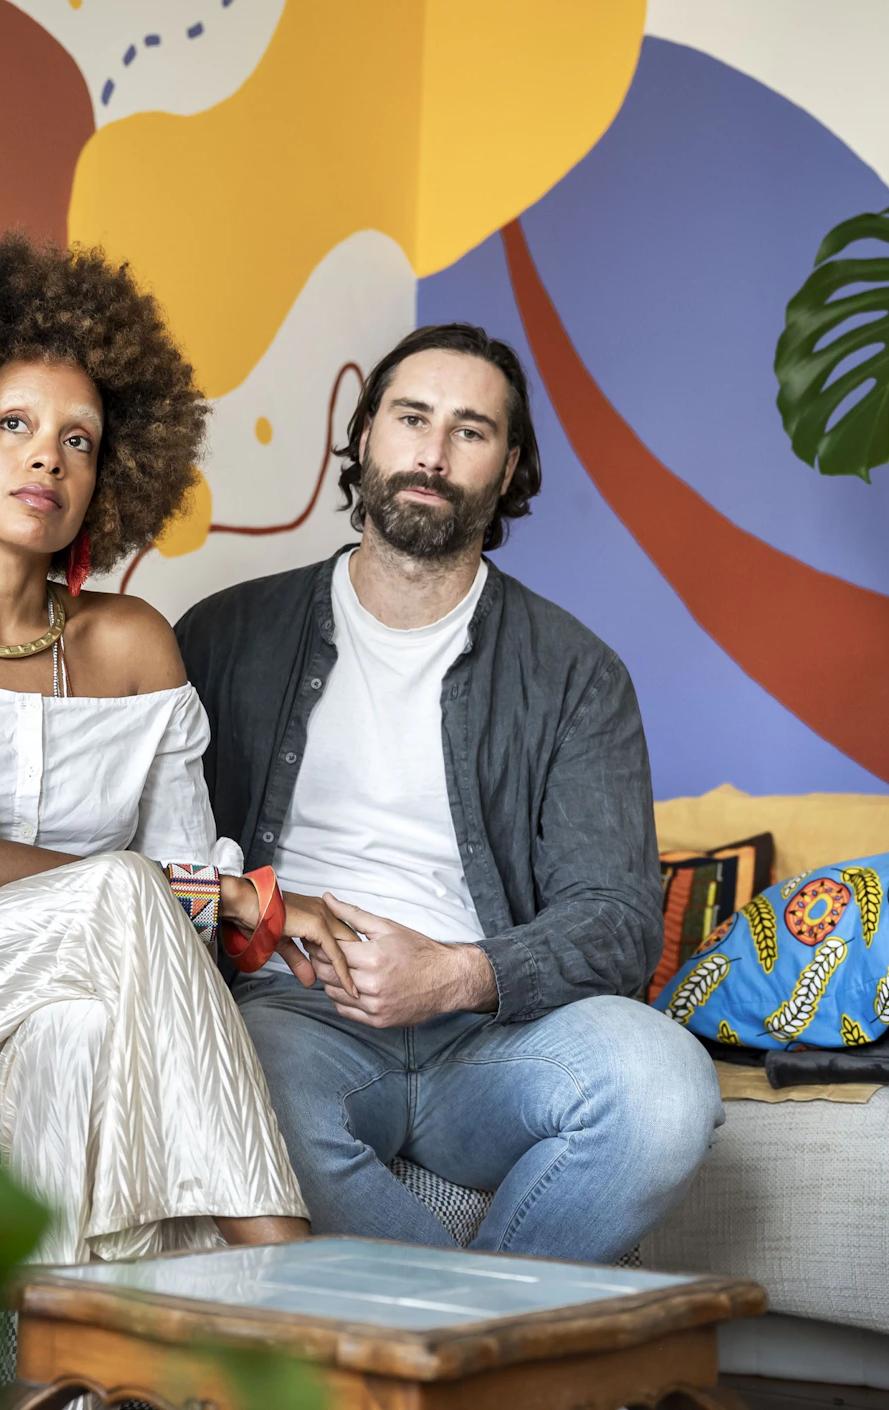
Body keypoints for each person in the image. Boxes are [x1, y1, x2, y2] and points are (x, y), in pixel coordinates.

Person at [0, 233, 359, 1264]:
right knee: (125, 892)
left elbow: (169, 923)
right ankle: (289, 1274)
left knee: (80, 1033)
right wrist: (224, 895)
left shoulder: (133, 644)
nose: (47, 455)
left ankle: (68, 1368)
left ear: (111, 475)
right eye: (13, 423)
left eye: (80, 440)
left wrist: (188, 900)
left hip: (86, 991)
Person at [173, 323, 723, 1261]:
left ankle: (448, 1355)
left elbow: (619, 920)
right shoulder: (225, 636)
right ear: (364, 438)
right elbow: (163, 861)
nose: (431, 453)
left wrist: (460, 973)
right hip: (295, 1016)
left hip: (492, 1034)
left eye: (470, 431)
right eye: (411, 418)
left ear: (508, 469)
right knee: (227, 1086)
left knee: (668, 1091)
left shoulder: (575, 673)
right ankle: (482, 1351)